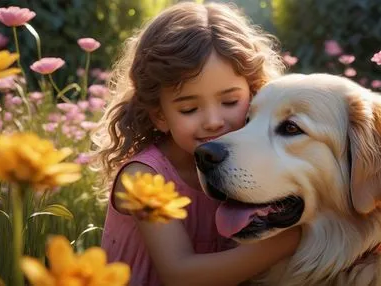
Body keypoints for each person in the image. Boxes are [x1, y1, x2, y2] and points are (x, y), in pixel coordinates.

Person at [91, 2, 301, 285]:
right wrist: (289, 241)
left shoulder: (244, 164)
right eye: (189, 109)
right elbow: (181, 274)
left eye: (230, 101)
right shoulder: (143, 177)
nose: (213, 121)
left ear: (254, 93)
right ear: (160, 115)